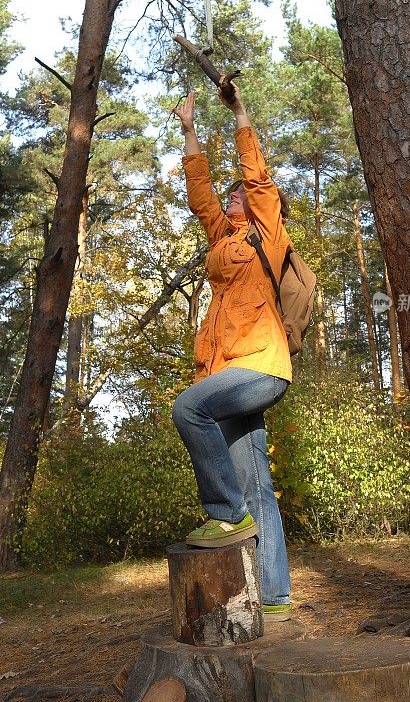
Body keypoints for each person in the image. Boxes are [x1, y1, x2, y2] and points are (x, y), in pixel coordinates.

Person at [172, 81, 292, 621]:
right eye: (234, 193)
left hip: (261, 363)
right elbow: (201, 195)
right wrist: (191, 132)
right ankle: (276, 596)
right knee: (256, 486)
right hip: (228, 369)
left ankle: (222, 512)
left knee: (188, 406)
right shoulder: (225, 239)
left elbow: (257, 177)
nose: (234, 193)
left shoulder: (267, 233)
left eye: (241, 193)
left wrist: (239, 112)